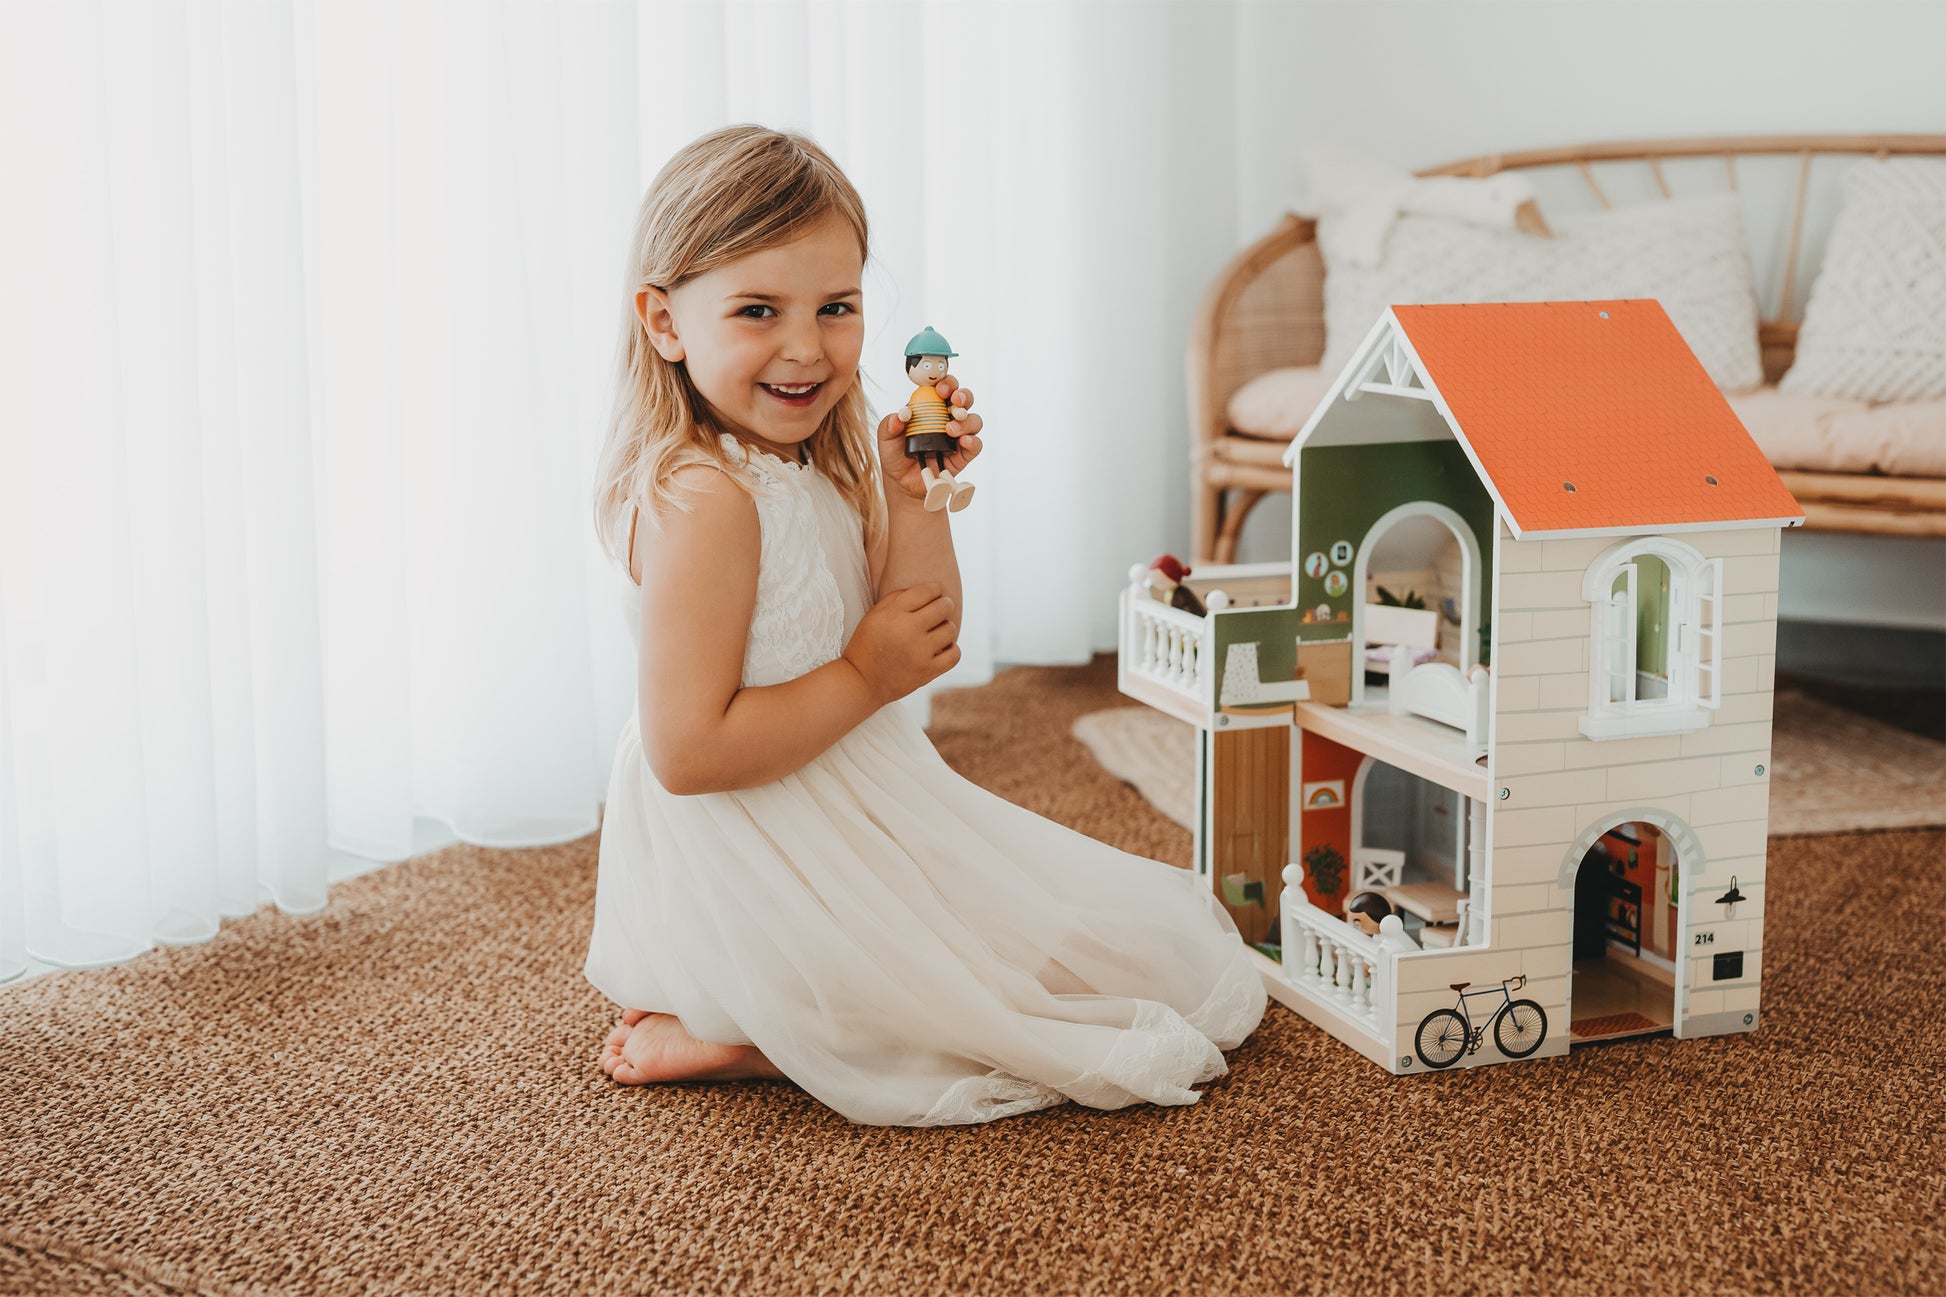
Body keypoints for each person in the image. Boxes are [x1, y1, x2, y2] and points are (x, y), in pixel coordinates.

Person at [583, 125, 1266, 1127]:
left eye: (836, 307)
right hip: (752, 826)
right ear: (664, 320)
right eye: (757, 310)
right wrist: (863, 674)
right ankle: (760, 1031)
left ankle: (796, 1006)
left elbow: (924, 632)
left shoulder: (817, 454)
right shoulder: (703, 497)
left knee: (1096, 952)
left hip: (846, 784)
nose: (807, 346)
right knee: (956, 1007)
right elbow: (688, 754)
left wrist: (913, 500)